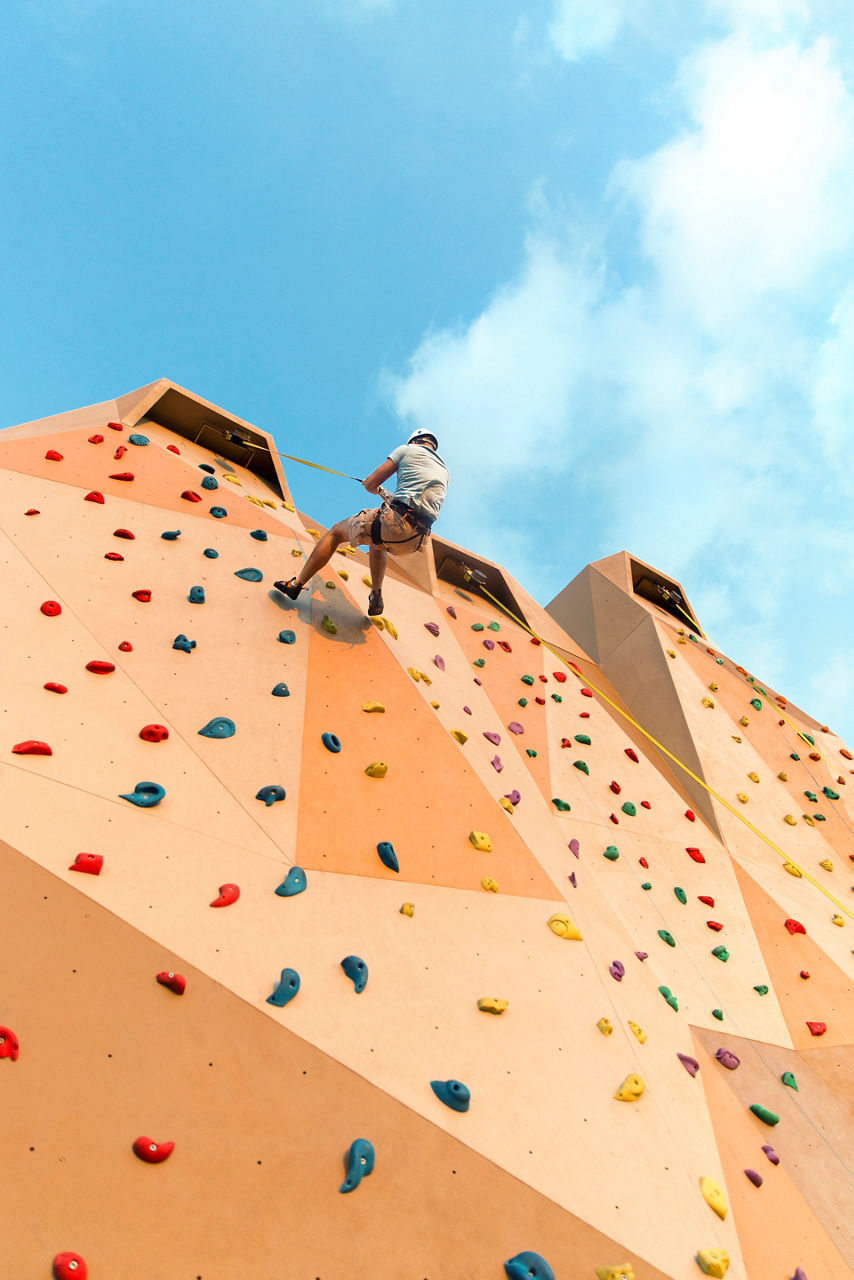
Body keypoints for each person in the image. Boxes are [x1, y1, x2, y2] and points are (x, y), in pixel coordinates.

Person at [274, 430, 449, 616]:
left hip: (396, 524)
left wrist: (371, 486)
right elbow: (415, 502)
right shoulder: (444, 471)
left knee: (335, 532)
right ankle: (376, 595)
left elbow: (371, 483)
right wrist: (383, 493)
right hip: (416, 540)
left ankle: (296, 584)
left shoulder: (407, 450)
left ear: (413, 441)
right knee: (377, 542)